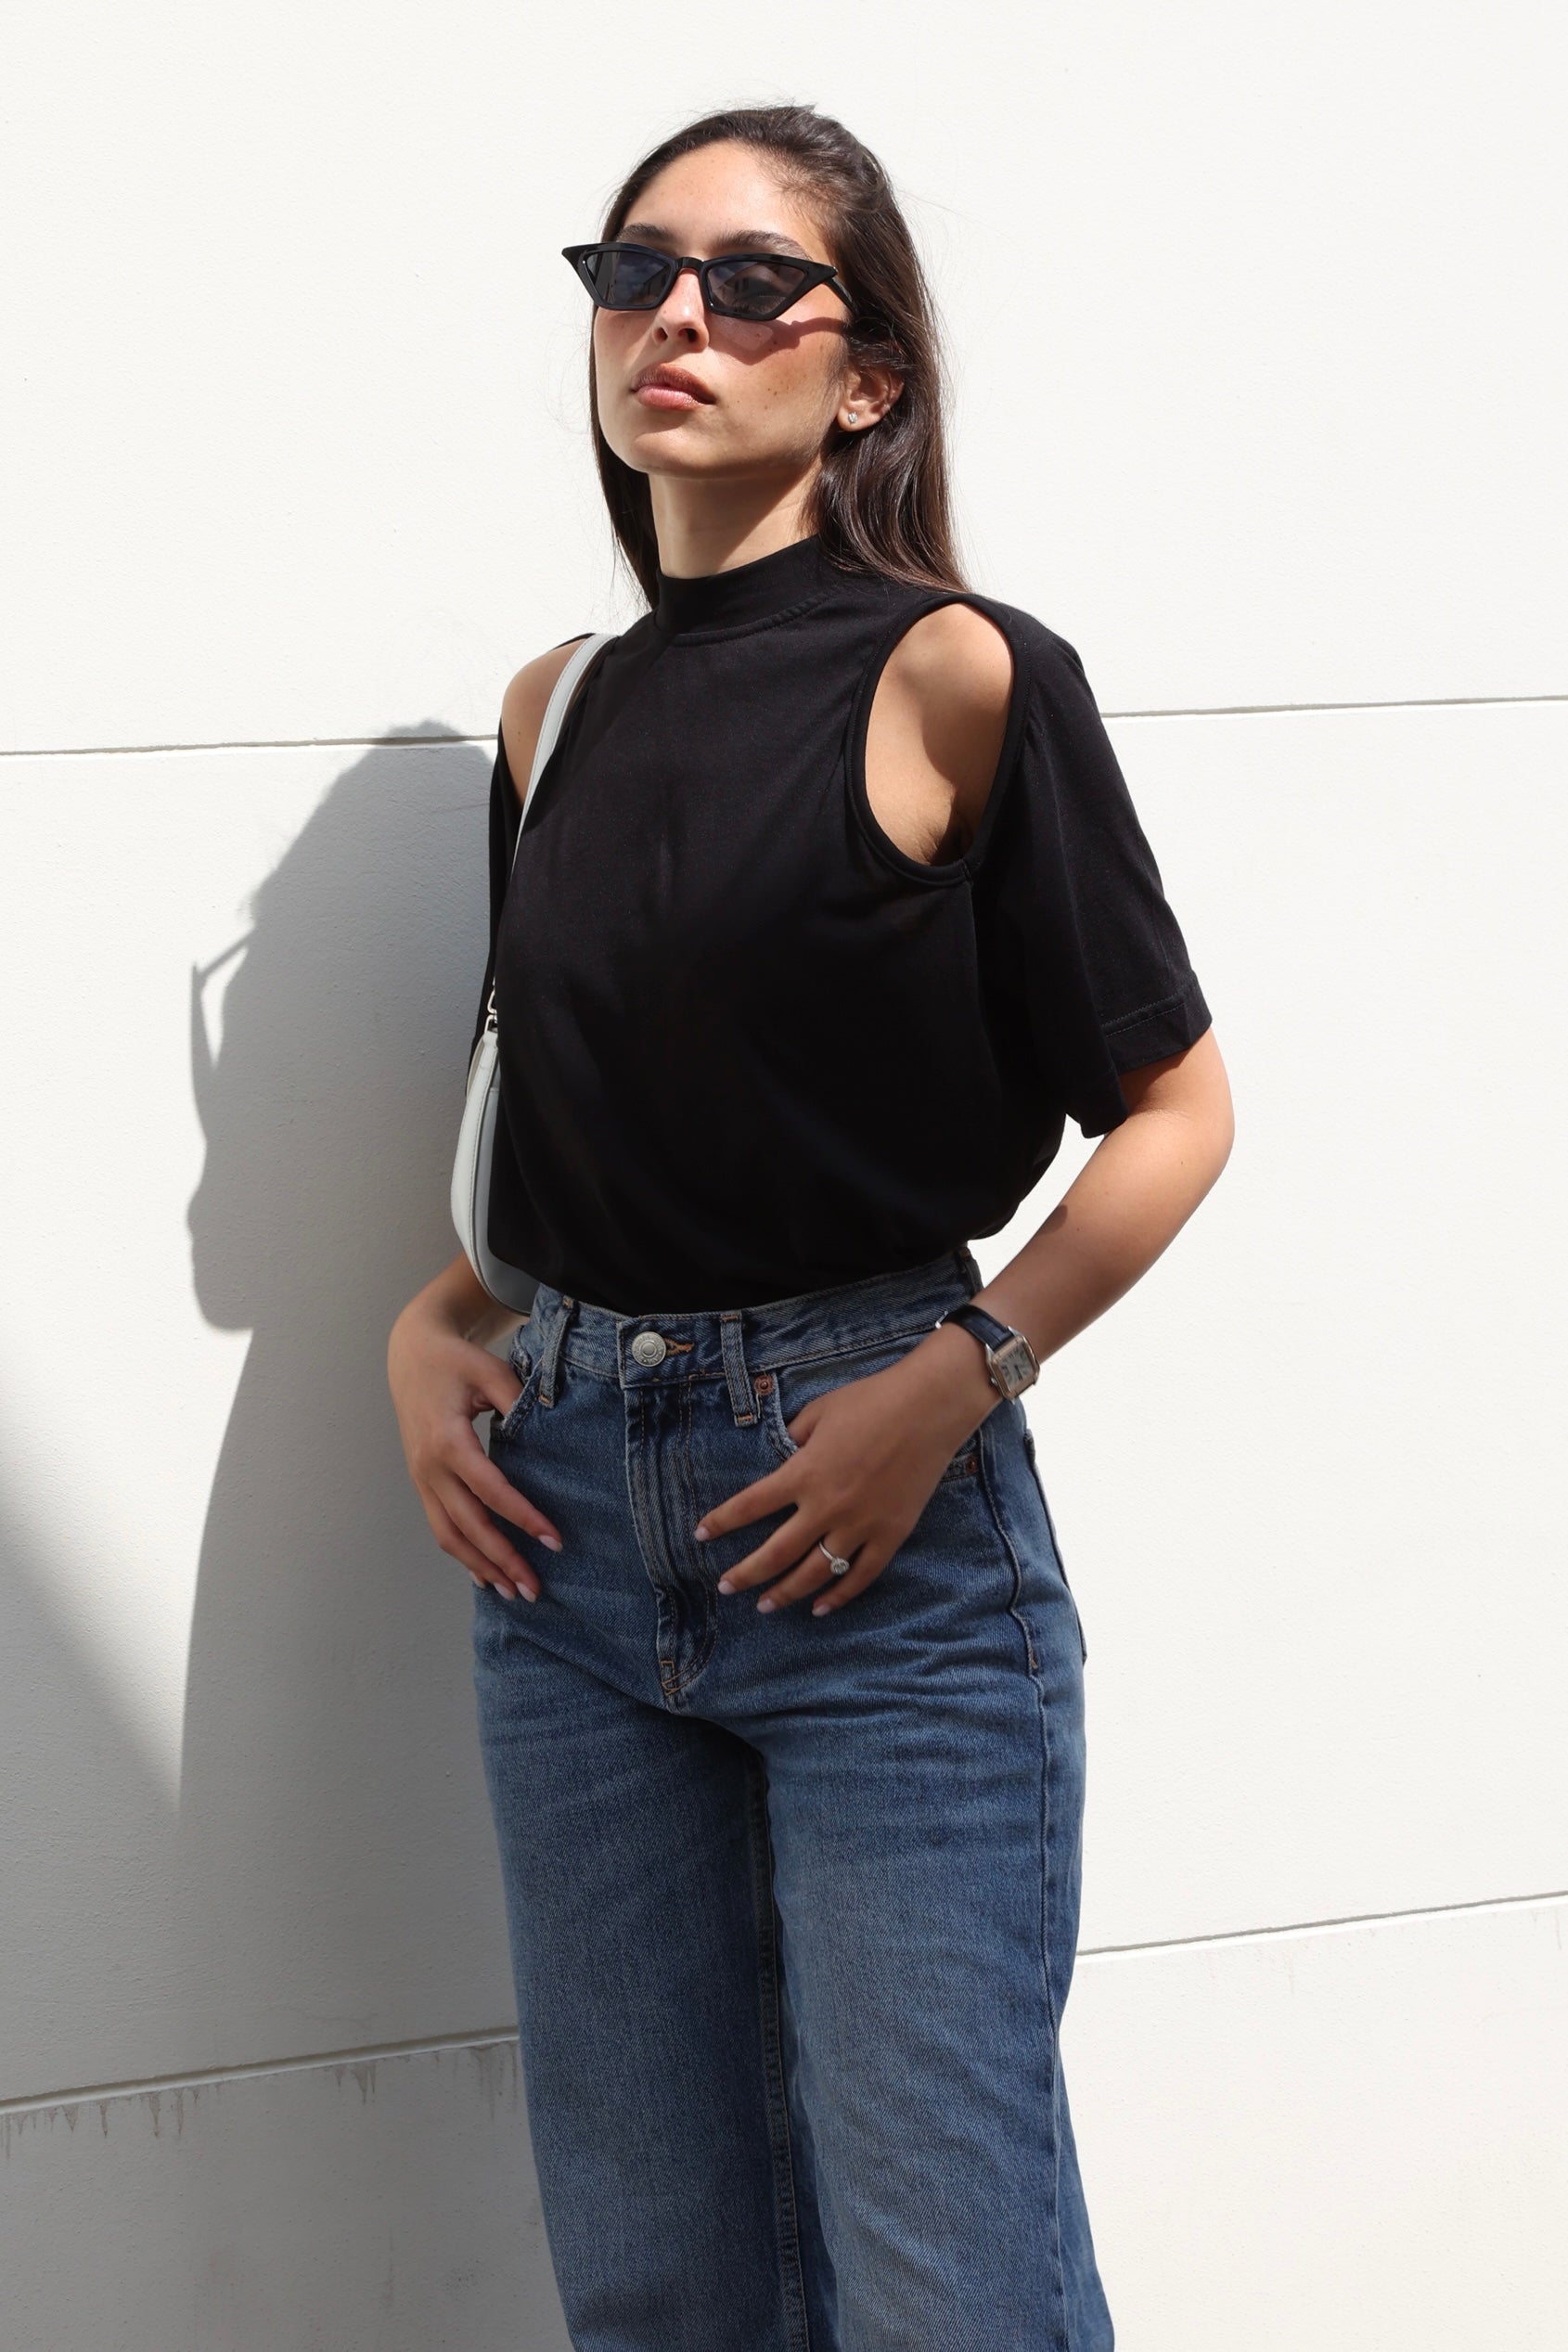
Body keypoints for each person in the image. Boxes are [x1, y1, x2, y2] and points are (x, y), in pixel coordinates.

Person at [388, 102, 1233, 2352]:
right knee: (659, 2282)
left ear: (865, 376)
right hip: (564, 1547)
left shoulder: (958, 671)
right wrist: (432, 1321)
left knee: (949, 2286)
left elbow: (1173, 1110)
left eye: (751, 280)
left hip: (877, 1533)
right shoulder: (554, 712)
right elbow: (573, 1119)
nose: (675, 315)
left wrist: (956, 1378)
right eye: (635, 269)